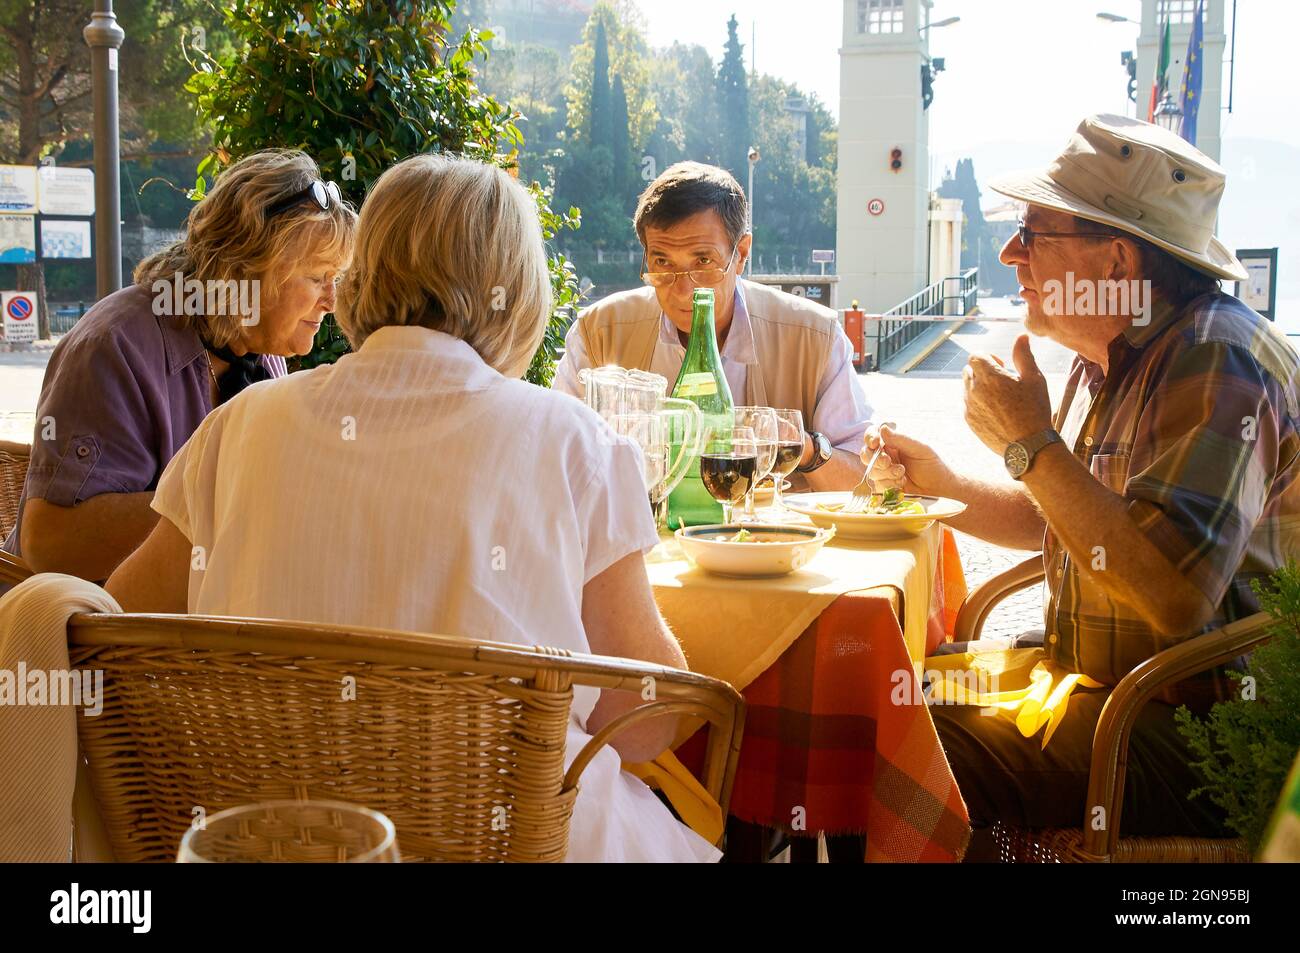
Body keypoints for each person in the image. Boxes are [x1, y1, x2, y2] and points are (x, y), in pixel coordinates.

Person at [105, 153, 719, 863]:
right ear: (516, 292)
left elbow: (124, 630)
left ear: (360, 273)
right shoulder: (575, 443)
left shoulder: (240, 424)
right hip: (521, 846)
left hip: (267, 841)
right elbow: (642, 725)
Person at [863, 114, 1299, 845]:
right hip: (1103, 686)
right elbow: (1081, 525)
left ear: (1119, 263)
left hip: (1196, 735)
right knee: (883, 695)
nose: (1009, 253)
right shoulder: (1116, 355)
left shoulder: (1215, 358)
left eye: (1032, 234)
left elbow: (1173, 593)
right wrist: (942, 480)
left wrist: (1031, 442)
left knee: (915, 742)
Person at [4, 149, 355, 583]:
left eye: (336, 278)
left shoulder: (256, 352)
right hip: (88, 635)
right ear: (247, 269)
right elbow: (52, 544)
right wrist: (240, 499)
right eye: (318, 276)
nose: (332, 301)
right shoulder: (117, 346)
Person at [554, 161, 873, 488]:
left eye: (703, 261)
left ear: (742, 253)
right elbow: (555, 459)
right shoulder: (600, 333)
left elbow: (865, 477)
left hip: (773, 539)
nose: (683, 290)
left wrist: (804, 448)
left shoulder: (813, 336)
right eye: (662, 262)